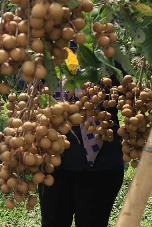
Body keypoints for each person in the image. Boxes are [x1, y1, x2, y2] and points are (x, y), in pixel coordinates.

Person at [38, 44, 124, 227]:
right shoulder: (44, 51)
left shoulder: (103, 49)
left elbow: (123, 90)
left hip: (101, 167)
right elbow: (29, 87)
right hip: (54, 167)